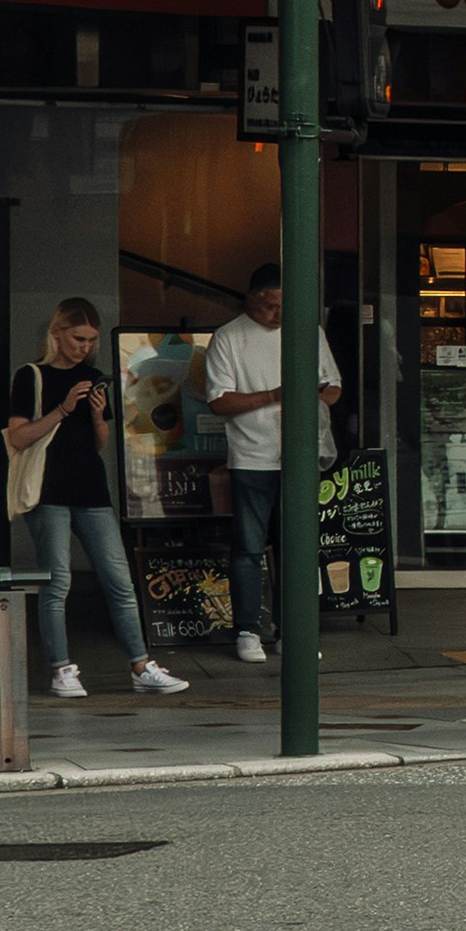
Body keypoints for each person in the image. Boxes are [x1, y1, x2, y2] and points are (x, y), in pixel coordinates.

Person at [0, 299, 184, 703]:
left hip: (91, 488)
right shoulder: (32, 376)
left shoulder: (94, 377)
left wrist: (98, 416)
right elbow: (17, 437)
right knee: (57, 581)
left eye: (91, 340)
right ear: (57, 332)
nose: (84, 347)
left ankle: (140, 665)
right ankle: (60, 668)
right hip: (48, 489)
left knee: (119, 580)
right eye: (78, 338)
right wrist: (64, 408)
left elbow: (98, 445)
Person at [198, 264, 296, 668]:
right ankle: (247, 629)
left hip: (297, 455)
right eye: (270, 305)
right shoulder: (229, 337)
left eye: (282, 306)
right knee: (249, 549)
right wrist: (274, 394)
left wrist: (314, 403)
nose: (277, 314)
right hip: (252, 455)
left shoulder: (306, 331)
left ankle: (293, 631)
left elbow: (334, 386)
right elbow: (219, 401)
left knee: (296, 549)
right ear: (251, 299)